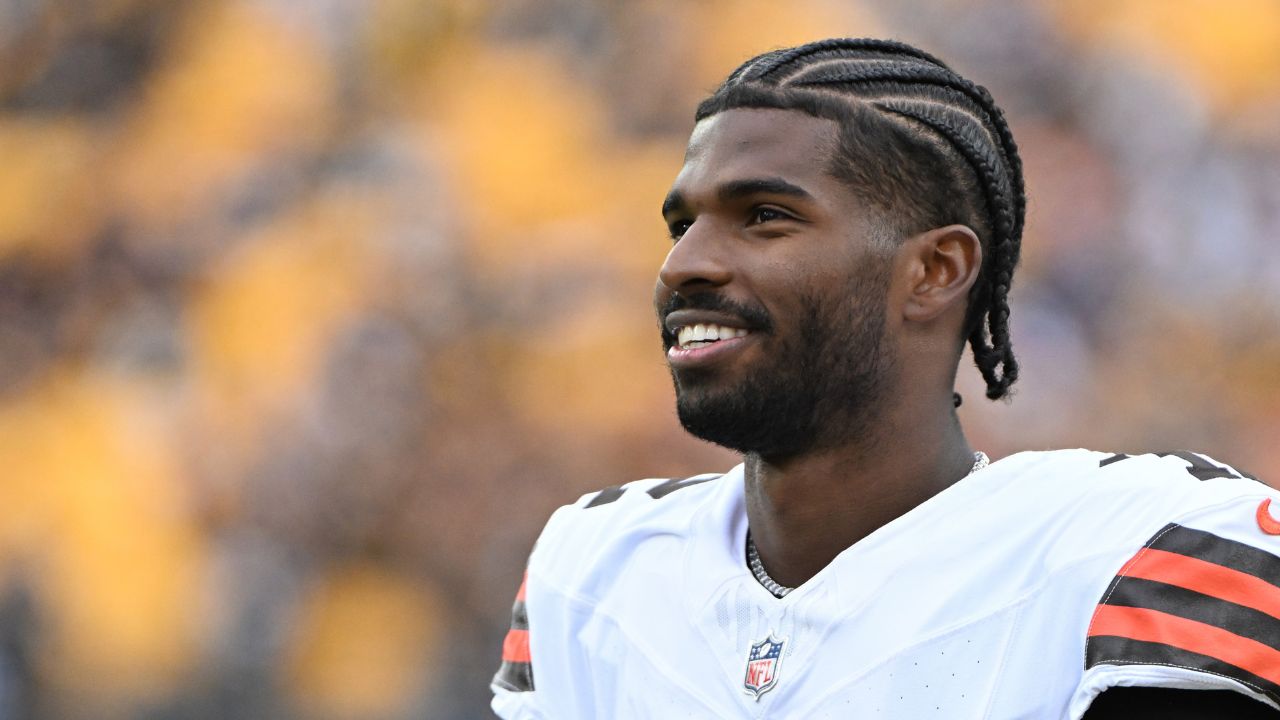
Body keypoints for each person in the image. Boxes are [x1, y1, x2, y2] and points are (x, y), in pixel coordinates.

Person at [490, 38, 1280, 718]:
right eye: (680, 224)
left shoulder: (1126, 557)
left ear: (935, 270)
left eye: (764, 215)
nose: (683, 264)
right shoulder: (596, 574)